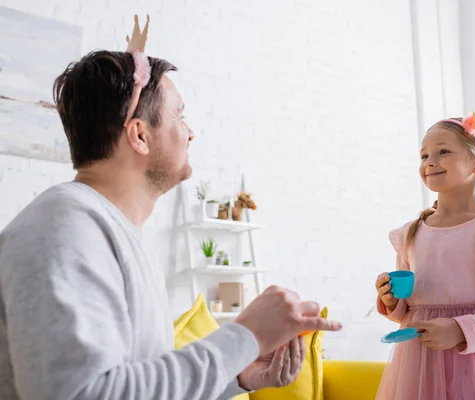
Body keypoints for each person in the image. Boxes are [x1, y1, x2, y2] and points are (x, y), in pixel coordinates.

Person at [0, 15, 341, 400]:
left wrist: (237, 375)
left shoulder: (107, 230)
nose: (190, 131)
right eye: (179, 114)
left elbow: (132, 379)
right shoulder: (63, 230)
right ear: (140, 135)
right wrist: (244, 335)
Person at [374, 112, 475, 399]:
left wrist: (459, 329)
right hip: (418, 361)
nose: (429, 162)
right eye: (424, 156)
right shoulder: (410, 234)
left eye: (443, 152)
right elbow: (410, 307)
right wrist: (392, 300)